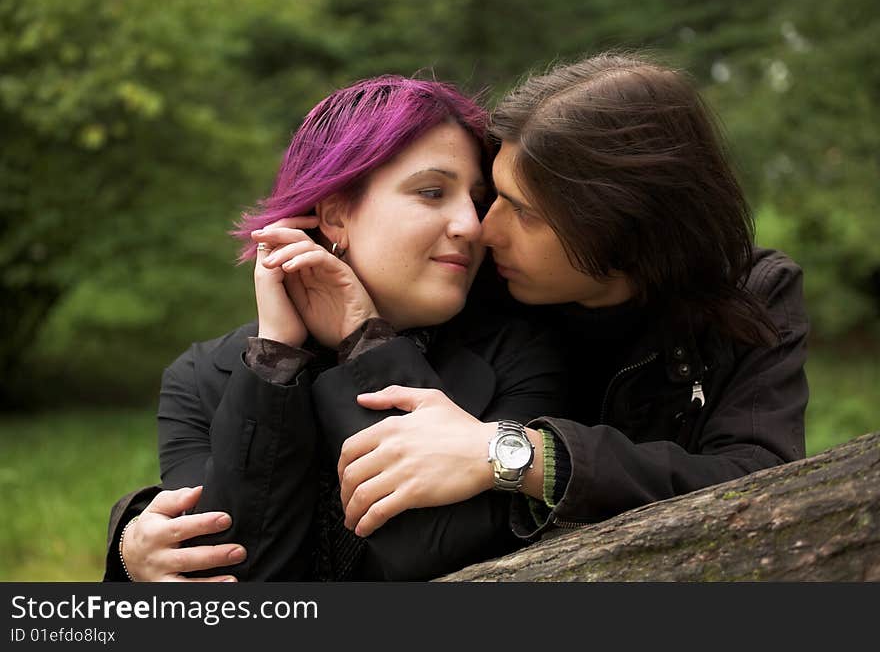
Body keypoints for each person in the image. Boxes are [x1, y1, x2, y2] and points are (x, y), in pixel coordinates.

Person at [102, 75, 568, 581]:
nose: (472, 225)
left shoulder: (524, 352)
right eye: (432, 192)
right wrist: (276, 357)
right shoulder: (200, 377)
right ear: (336, 214)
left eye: (475, 200)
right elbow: (234, 575)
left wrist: (363, 337)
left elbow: (433, 552)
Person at [334, 52, 809, 542]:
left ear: (617, 223)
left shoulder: (753, 293)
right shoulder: (471, 285)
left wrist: (517, 454)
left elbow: (760, 479)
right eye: (491, 196)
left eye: (521, 211)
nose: (482, 229)